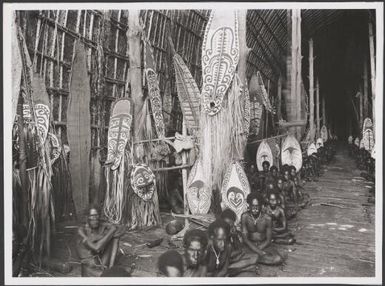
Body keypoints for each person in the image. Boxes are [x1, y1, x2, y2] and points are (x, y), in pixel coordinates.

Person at [76, 206, 123, 277]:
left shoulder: (99, 225)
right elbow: (96, 247)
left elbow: (121, 229)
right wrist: (111, 231)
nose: (95, 219)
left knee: (115, 236)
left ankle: (111, 268)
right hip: (90, 269)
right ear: (87, 218)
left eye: (96, 216)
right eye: (92, 216)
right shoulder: (81, 231)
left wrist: (111, 227)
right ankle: (109, 272)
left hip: (99, 263)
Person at [241, 193, 284, 265]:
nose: (255, 209)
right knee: (239, 254)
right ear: (249, 205)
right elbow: (245, 239)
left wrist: (259, 249)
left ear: (261, 206)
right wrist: (259, 251)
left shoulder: (267, 218)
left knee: (278, 259)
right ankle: (258, 258)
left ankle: (254, 259)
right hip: (250, 245)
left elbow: (268, 240)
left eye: (257, 206)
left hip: (264, 245)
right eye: (253, 206)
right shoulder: (244, 217)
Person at [221, 209, 259, 276]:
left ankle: (235, 269)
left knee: (255, 257)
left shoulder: (231, 232)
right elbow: (228, 255)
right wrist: (239, 254)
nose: (229, 226)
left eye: (231, 224)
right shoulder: (220, 234)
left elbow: (238, 248)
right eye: (227, 224)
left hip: (232, 259)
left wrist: (234, 236)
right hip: (222, 262)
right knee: (246, 259)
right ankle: (239, 270)